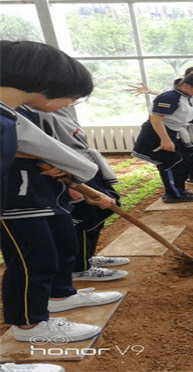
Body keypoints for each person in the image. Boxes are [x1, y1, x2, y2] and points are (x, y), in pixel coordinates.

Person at [0, 40, 123, 344]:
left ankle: (60, 295)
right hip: (17, 202)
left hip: (40, 196)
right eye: (70, 96)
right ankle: (29, 325)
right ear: (46, 84)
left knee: (55, 252)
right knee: (33, 262)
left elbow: (28, 147)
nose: (68, 104)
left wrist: (64, 170)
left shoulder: (10, 114)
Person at [17, 106, 129, 282]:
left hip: (81, 164)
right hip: (66, 173)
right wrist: (70, 185)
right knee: (84, 218)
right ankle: (79, 268)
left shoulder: (59, 108)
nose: (71, 100)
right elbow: (40, 154)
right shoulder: (31, 113)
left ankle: (87, 258)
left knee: (100, 212)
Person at [132, 73, 193, 202]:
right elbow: (156, 119)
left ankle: (180, 191)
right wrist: (165, 140)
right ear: (186, 85)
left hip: (173, 132)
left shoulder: (189, 96)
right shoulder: (169, 97)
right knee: (171, 164)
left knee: (184, 162)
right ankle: (173, 195)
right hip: (156, 134)